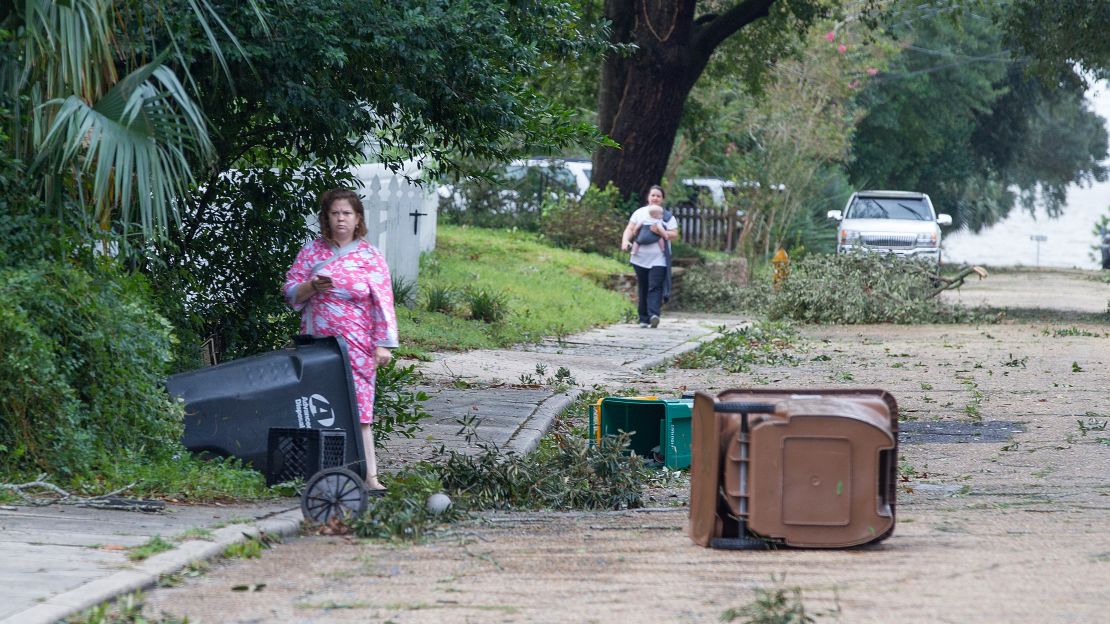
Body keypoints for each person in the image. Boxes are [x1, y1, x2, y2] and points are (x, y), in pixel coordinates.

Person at [283, 188, 398, 491]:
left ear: (358, 218)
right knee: (316, 406)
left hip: (358, 344)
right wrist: (312, 287)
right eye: (335, 213)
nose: (341, 219)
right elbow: (290, 291)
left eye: (347, 213)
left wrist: (383, 344)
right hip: (318, 344)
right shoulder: (311, 252)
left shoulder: (370, 257)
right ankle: (314, 477)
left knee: (361, 411)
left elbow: (383, 302)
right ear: (326, 218)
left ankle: (369, 476)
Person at [621, 185, 679, 328]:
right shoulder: (639, 213)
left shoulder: (667, 216)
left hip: (659, 258)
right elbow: (630, 228)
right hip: (640, 257)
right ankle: (643, 318)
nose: (655, 198)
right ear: (648, 197)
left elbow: (674, 234)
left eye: (658, 196)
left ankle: (654, 315)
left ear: (662, 199)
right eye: (653, 195)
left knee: (655, 285)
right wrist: (625, 241)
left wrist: (661, 232)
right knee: (643, 285)